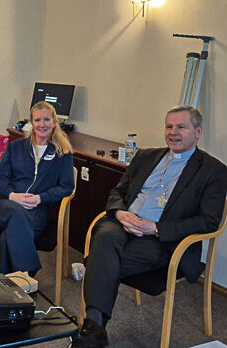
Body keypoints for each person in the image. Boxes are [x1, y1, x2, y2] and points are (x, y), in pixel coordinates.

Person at [72, 105, 227, 348]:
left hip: (160, 239)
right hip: (120, 224)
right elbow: (117, 191)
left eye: (181, 127)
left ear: (198, 132)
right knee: (104, 238)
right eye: (169, 126)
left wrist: (154, 228)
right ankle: (94, 332)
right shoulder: (146, 156)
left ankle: (92, 328)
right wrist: (121, 212)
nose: (173, 132)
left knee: (97, 263)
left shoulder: (213, 171)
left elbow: (208, 220)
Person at [0, 101, 74, 277]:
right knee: (16, 215)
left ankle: (9, 284)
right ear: (31, 123)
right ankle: (26, 274)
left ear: (54, 122)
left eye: (46, 120)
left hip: (37, 211)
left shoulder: (63, 153)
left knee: (8, 236)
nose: (42, 125)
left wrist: (40, 198)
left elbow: (67, 187)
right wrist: (12, 195)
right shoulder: (16, 147)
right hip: (6, 205)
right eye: (37, 120)